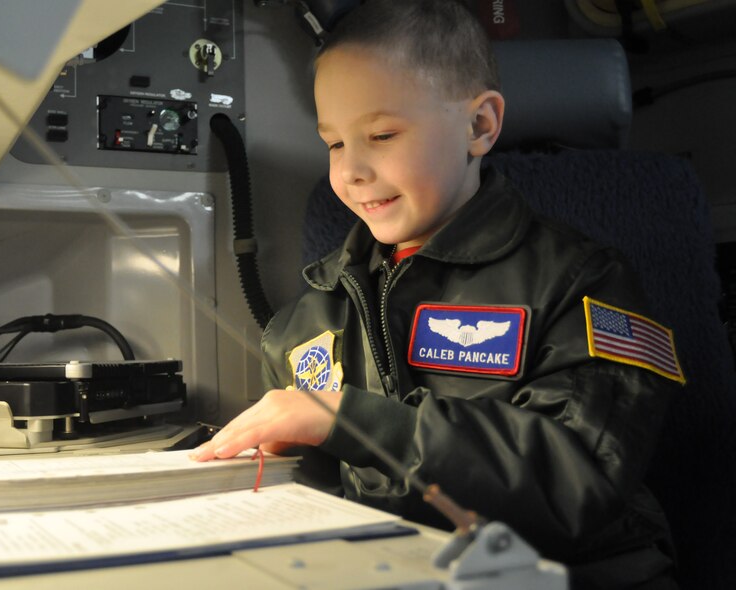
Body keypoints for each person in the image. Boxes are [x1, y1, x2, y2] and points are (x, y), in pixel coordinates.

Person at [191, 1, 683, 587]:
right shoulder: (310, 318)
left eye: (381, 134)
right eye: (335, 144)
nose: (351, 171)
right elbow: (311, 492)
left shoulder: (583, 282)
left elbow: (577, 480)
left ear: (479, 127)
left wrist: (354, 421)